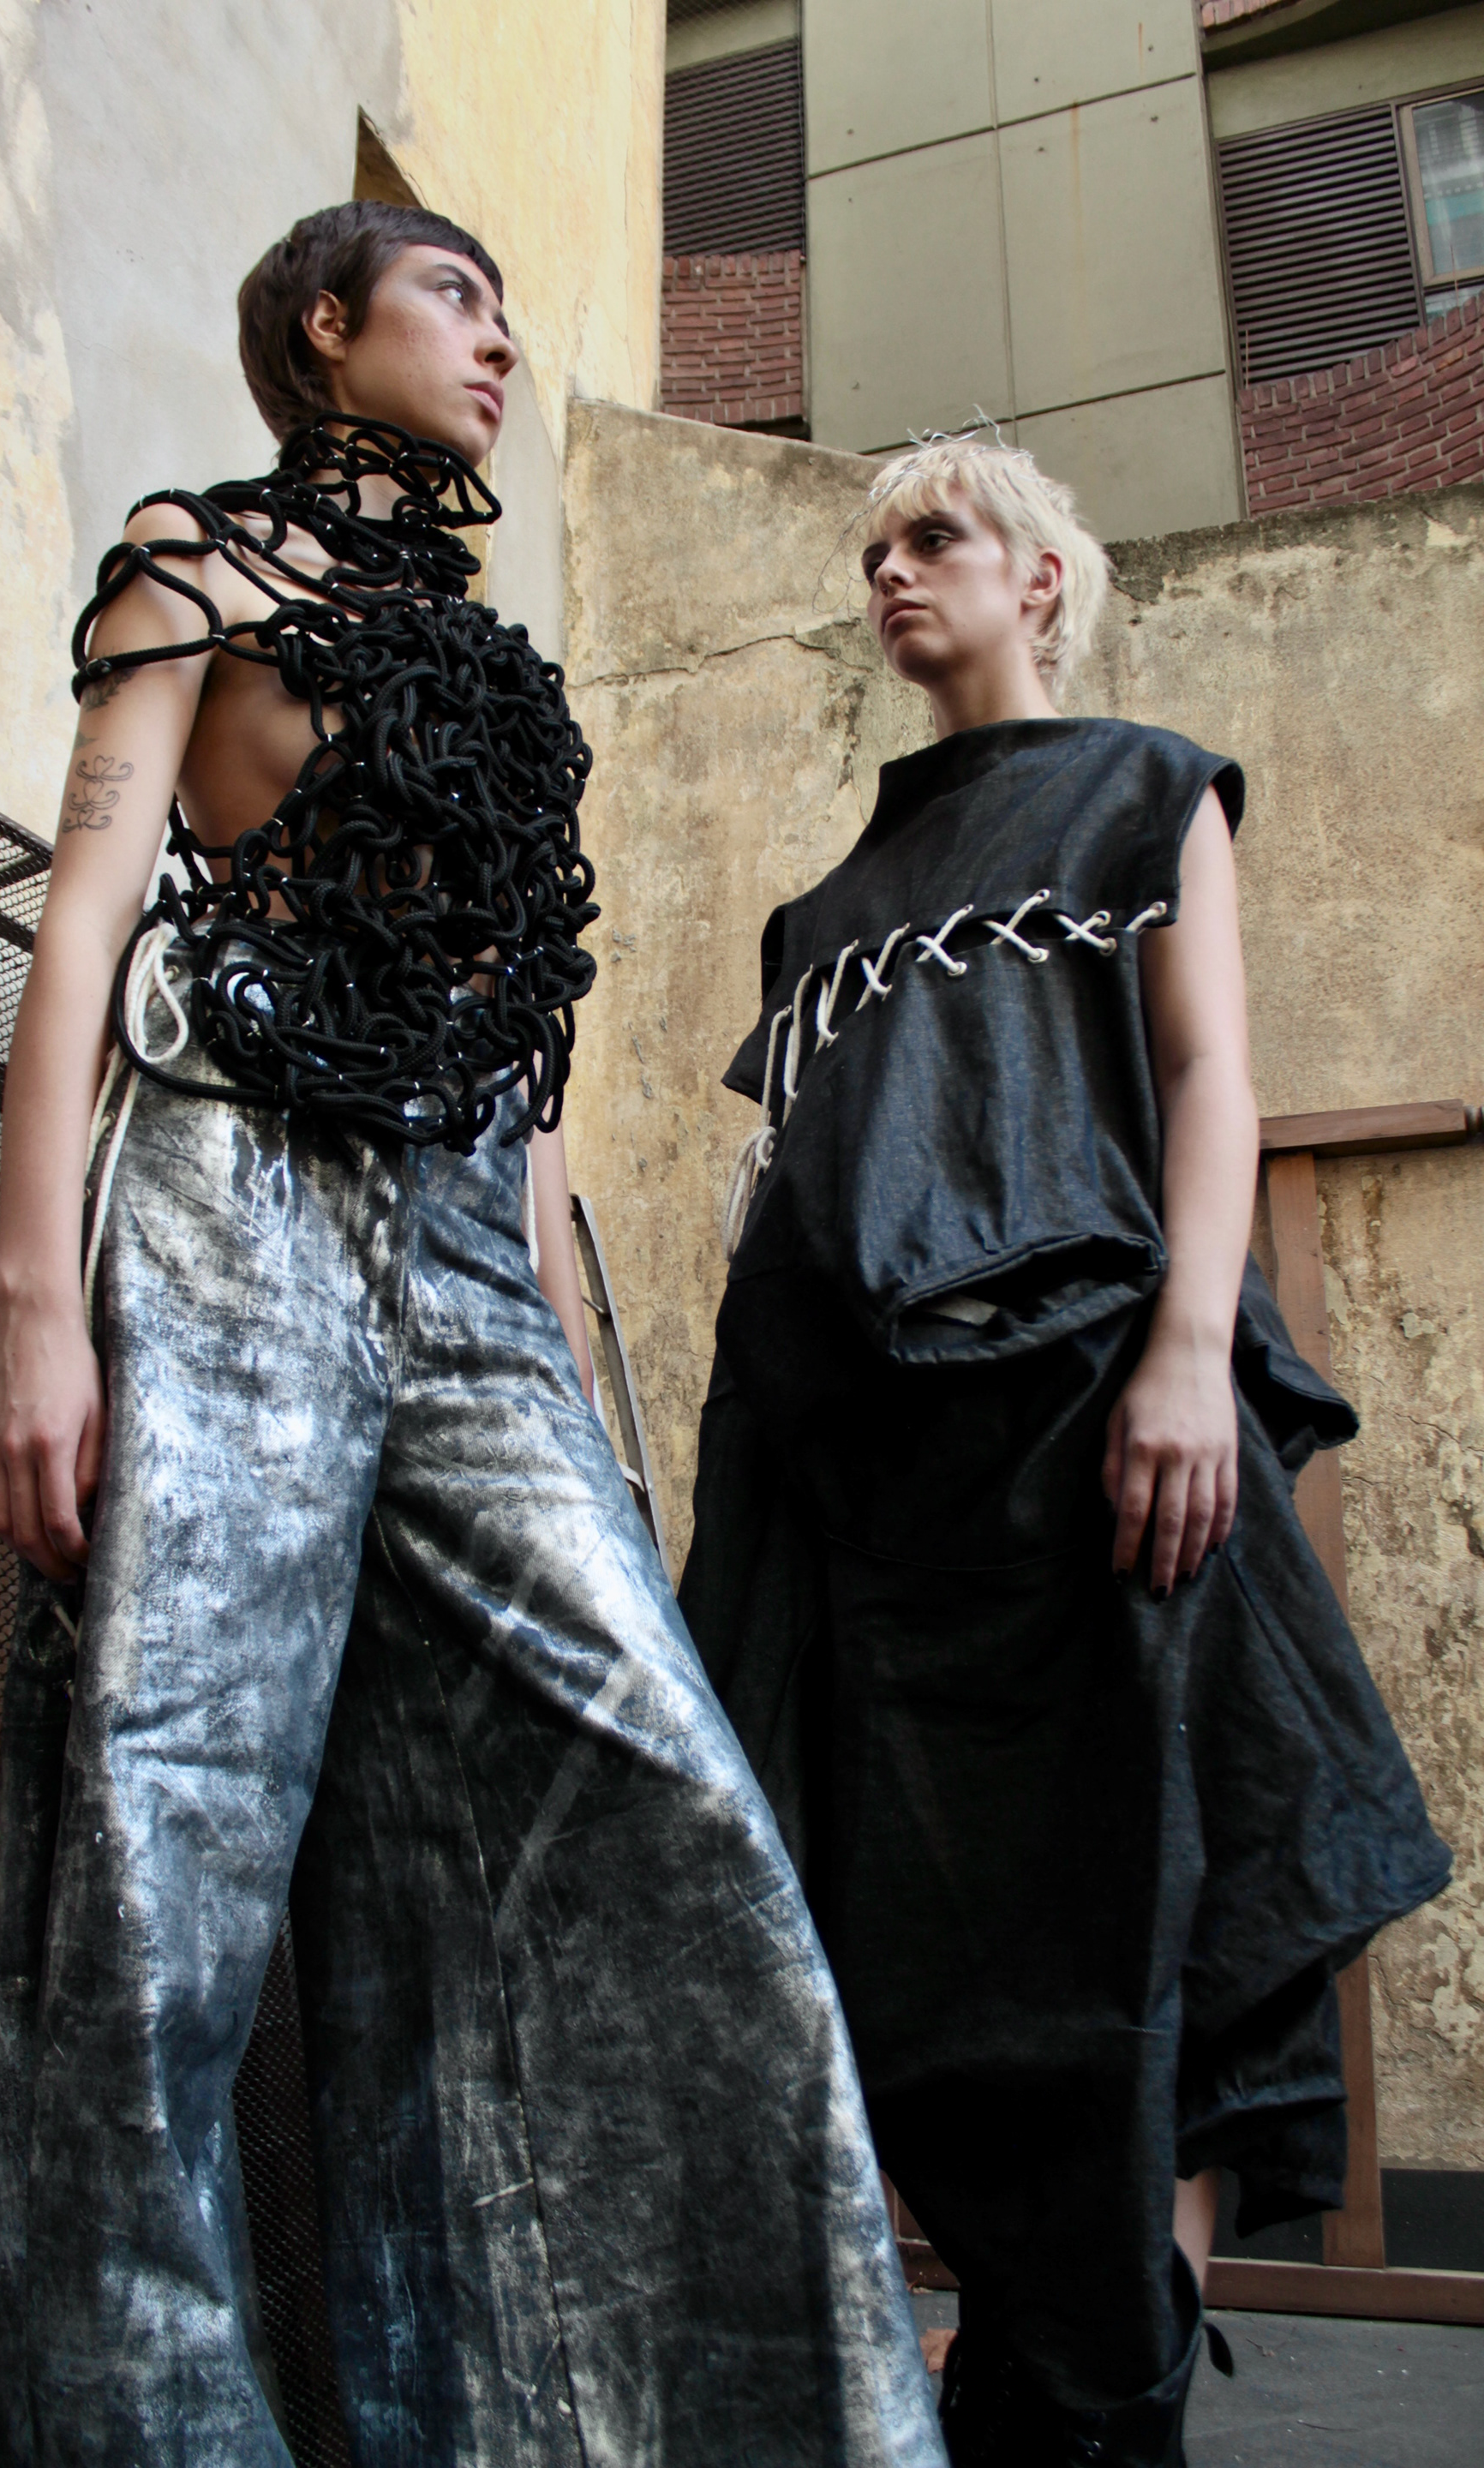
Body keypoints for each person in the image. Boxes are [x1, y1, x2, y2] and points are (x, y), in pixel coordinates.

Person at [0, 200, 946, 2468]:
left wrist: (561, 1357)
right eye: (455, 301)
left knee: (676, 1809)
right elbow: (87, 920)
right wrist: (36, 1315)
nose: (501, 344)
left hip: (467, 1250)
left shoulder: (490, 662)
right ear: (326, 329)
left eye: (507, 310)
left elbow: (528, 1043)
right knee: (170, 1858)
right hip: (230, 1193)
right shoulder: (198, 562)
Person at [680, 432, 1451, 2465]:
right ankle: (1009, 2340)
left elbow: (1209, 1073)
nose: (889, 573)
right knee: (914, 1937)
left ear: (1039, 577)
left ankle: (1128, 2360)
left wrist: (1189, 1350)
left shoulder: (1144, 789)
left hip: (1092, 1437)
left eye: (933, 537)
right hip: (870, 1498)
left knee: (1159, 1882)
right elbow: (802, 1202)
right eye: (872, 547)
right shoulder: (822, 912)